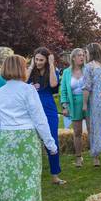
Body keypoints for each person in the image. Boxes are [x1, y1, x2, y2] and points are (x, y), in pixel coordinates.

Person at [0, 54, 59, 201]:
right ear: (21, 69)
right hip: (26, 138)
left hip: (7, 138)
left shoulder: (0, 92)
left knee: (9, 183)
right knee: (28, 182)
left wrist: (9, 133)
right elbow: (39, 118)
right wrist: (50, 144)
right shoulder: (28, 90)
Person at [28, 47, 64, 185]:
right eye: (36, 59)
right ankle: (33, 173)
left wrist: (51, 64)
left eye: (41, 60)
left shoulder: (52, 71)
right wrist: (31, 66)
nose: (38, 62)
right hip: (32, 109)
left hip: (48, 107)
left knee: (52, 139)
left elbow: (54, 84)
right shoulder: (31, 72)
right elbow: (23, 82)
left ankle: (55, 175)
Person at [60, 48, 87, 167]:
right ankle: (78, 157)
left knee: (92, 130)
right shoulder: (66, 72)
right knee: (77, 132)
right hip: (74, 104)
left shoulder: (87, 69)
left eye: (83, 55)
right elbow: (64, 91)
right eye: (79, 55)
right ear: (73, 58)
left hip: (88, 102)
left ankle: (96, 157)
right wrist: (65, 106)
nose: (82, 57)